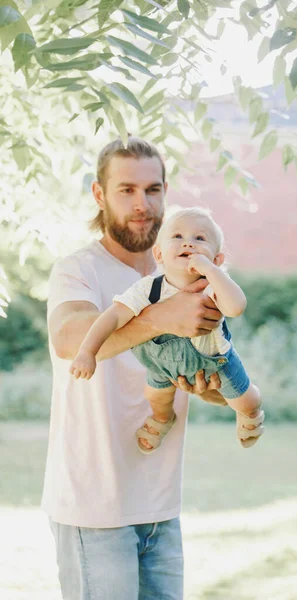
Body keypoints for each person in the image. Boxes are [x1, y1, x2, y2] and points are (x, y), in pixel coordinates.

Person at [43, 136, 229, 600]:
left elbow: (197, 368)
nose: (141, 204)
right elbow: (69, 339)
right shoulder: (78, 269)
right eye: (126, 190)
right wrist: (161, 319)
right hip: (94, 508)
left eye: (152, 189)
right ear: (99, 194)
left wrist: (215, 388)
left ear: (166, 191)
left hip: (161, 506)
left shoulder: (185, 276)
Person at [70, 206, 264, 453]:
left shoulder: (211, 286)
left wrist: (212, 272)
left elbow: (236, 307)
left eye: (200, 238)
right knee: (156, 397)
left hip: (215, 362)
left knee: (246, 401)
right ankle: (163, 419)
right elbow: (113, 317)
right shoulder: (148, 289)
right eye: (178, 237)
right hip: (163, 368)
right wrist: (87, 351)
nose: (189, 244)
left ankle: (252, 412)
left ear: (216, 259)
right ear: (159, 254)